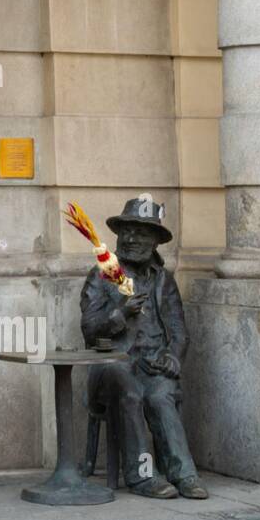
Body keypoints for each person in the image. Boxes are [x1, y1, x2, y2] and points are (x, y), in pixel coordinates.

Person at [80, 197, 208, 499]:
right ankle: (142, 476)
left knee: (162, 395)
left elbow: (178, 330)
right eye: (127, 231)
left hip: (152, 365)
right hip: (113, 364)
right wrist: (119, 314)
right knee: (130, 389)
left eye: (142, 233)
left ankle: (184, 475)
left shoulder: (164, 281)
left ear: (155, 242)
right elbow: (88, 330)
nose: (132, 239)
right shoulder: (102, 275)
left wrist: (172, 357)